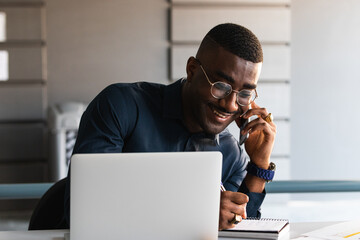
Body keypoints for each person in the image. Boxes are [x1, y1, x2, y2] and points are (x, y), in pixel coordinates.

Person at [64, 23, 276, 230]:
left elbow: (236, 227)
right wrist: (197, 214)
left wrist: (259, 167)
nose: (230, 104)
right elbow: (85, 212)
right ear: (192, 70)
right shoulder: (120, 106)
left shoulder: (230, 155)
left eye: (245, 94)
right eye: (220, 86)